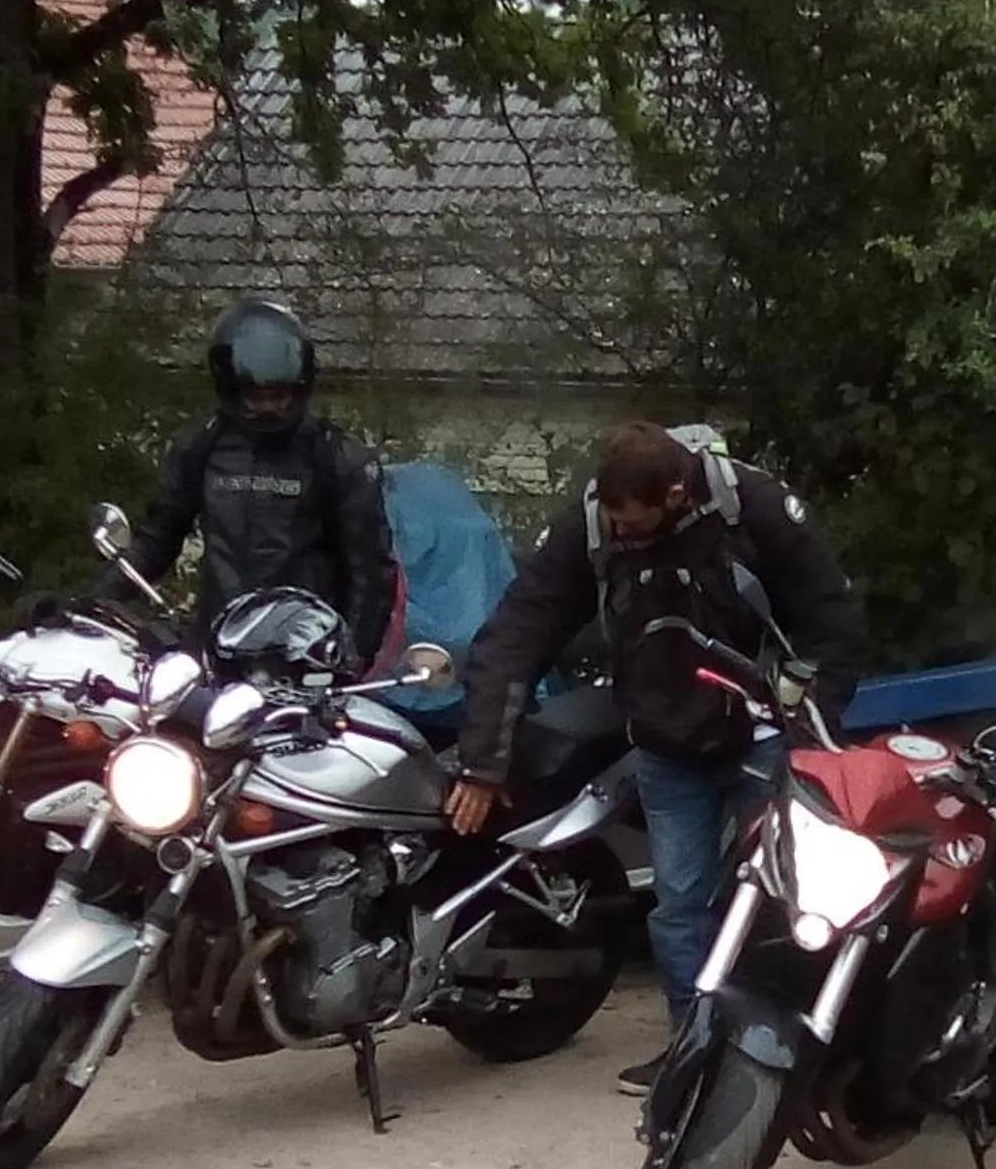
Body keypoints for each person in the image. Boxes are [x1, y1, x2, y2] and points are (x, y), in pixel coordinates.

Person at [446, 422, 867, 1095]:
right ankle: (692, 1054)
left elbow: (832, 617)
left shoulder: (751, 507)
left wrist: (811, 725)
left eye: (637, 528)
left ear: (676, 496)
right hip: (665, 743)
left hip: (763, 734)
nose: (624, 538)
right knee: (679, 905)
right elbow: (518, 632)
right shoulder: (591, 524)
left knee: (781, 901)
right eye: (616, 525)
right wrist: (483, 761)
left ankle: (791, 1057)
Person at [95, 299, 397, 674]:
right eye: (256, 397)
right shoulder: (199, 447)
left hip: (302, 661)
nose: (269, 407)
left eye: (280, 395)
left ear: (301, 386)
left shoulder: (338, 459)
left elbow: (370, 574)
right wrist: (93, 600)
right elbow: (157, 540)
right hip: (213, 652)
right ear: (230, 389)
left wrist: (350, 659)